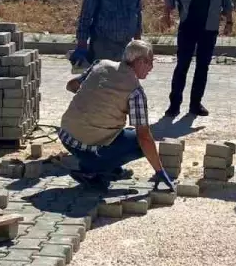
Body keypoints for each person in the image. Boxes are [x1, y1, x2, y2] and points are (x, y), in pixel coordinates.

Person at [57, 39, 174, 191]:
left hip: (67, 137)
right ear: (138, 61)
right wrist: (160, 171)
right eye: (149, 62)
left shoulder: (101, 65)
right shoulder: (135, 92)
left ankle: (105, 167)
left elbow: (71, 85)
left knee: (125, 133)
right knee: (141, 143)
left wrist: (93, 98)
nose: (151, 67)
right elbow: (144, 137)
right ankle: (91, 171)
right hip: (88, 147)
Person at [163, 0, 233, 117]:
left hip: (209, 26)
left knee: (203, 67)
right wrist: (166, 13)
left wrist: (229, 20)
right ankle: (174, 104)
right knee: (182, 65)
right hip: (188, 23)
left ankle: (195, 104)